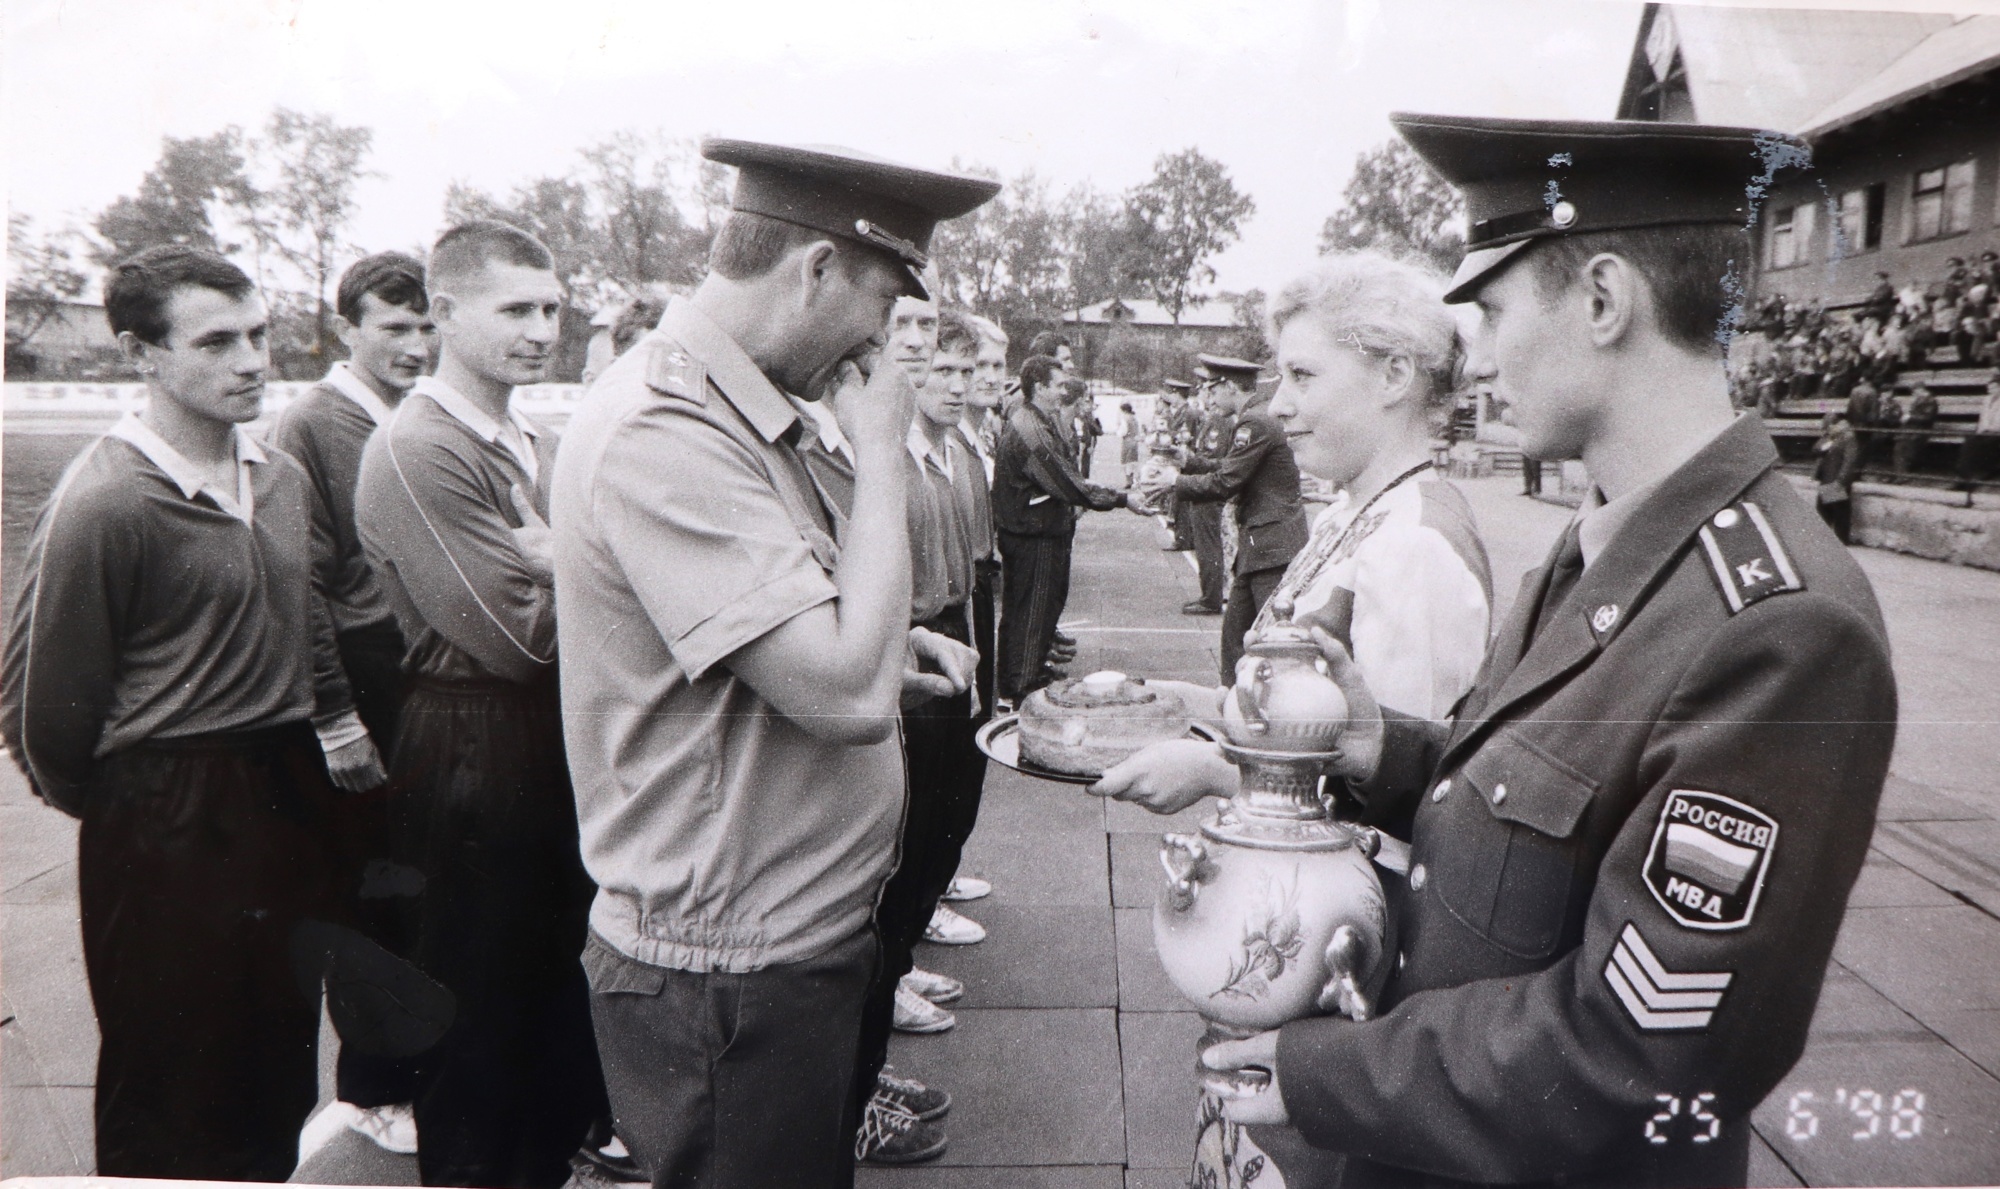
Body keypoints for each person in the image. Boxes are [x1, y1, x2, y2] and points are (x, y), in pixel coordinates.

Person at [1143, 114, 1896, 1189]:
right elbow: (1516, 817)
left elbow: (1640, 1050)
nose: (1476, 356)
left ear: (1600, 301)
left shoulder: (1778, 626)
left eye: (1489, 310)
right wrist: (1381, 751)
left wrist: (1322, 1077)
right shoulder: (1606, 543)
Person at [549, 139, 992, 1183]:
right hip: (729, 964)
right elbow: (840, 694)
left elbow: (810, 617)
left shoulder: (736, 412)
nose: (884, 339)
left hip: (770, 942)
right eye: (883, 300)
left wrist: (895, 631)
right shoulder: (668, 429)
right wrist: (880, 451)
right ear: (817, 270)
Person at [1096, 250, 1493, 1187]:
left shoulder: (1416, 544)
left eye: (1305, 375)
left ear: (1396, 376)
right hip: (1287, 941)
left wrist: (1210, 771)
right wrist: (1207, 712)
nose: (1278, 403)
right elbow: (1316, 733)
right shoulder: (1364, 508)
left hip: (1342, 970)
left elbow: (1408, 808)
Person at [1, 245, 366, 1178]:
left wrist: (327, 726)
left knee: (276, 1063)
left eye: (258, 335)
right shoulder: (109, 499)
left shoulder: (277, 474)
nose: (252, 360)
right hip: (165, 803)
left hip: (283, 789)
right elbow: (45, 712)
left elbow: (305, 614)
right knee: (172, 1079)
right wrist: (138, 807)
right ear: (140, 353)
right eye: (216, 341)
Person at [355, 221, 608, 1186]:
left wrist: (565, 561)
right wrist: (587, 564)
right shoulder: (420, 444)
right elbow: (516, 641)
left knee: (551, 1014)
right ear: (447, 313)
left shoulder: (528, 437)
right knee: (481, 1028)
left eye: (551, 307)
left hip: (541, 737)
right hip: (471, 741)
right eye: (517, 308)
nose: (543, 328)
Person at [266, 250, 436, 1156]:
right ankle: (371, 1089)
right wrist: (336, 718)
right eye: (393, 326)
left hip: (422, 671)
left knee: (424, 882)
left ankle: (411, 1069)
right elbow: (305, 586)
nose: (415, 343)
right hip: (363, 674)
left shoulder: (420, 416)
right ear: (348, 330)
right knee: (375, 889)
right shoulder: (315, 422)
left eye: (424, 325)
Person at [848, 308, 997, 1162]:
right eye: (904, 332)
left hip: (926, 656)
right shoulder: (867, 453)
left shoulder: (931, 452)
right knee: (884, 884)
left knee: (918, 866)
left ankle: (865, 1065)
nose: (920, 352)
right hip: (886, 682)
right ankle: (855, 1084)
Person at [993, 354, 1128, 701]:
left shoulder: (1036, 419)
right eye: (1057, 384)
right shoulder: (1030, 430)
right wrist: (1123, 499)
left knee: (1030, 613)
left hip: (1037, 533)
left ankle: (1022, 676)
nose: (1063, 390)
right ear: (1039, 387)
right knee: (1032, 614)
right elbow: (1070, 485)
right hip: (1033, 538)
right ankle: (1024, 685)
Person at [1161, 354, 1307, 668]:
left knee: (1266, 642)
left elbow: (1227, 480)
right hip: (1265, 543)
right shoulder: (1256, 416)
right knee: (1237, 636)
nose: (1209, 398)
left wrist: (1176, 481)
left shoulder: (1254, 421)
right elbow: (1233, 468)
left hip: (1270, 546)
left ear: (1228, 386)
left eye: (1212, 390)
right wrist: (1188, 462)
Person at [1178, 366, 1237, 614]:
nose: (1206, 396)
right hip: (1200, 487)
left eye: (1209, 390)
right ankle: (1209, 595)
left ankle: (1211, 598)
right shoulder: (1211, 418)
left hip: (1208, 491)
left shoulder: (1220, 421)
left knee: (1209, 547)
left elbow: (1216, 459)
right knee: (1204, 547)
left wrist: (1189, 461)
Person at [1813, 412, 1862, 544]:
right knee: (1823, 509)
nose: (1827, 430)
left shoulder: (1848, 437)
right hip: (1827, 477)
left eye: (1829, 427)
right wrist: (1827, 441)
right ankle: (1823, 538)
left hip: (1838, 478)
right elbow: (1816, 449)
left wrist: (1841, 480)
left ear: (1837, 424)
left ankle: (1841, 540)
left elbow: (1850, 461)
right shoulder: (1830, 436)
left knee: (1840, 510)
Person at [1895, 381, 1937, 474]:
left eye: (1914, 391)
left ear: (1920, 389)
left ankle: (1901, 474)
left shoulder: (1930, 400)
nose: (1913, 394)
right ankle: (1901, 473)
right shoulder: (1920, 399)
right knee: (1900, 447)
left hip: (1920, 430)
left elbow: (1927, 417)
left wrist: (1910, 417)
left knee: (1902, 449)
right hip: (1912, 429)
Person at [1117, 400, 1142, 487]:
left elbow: (1123, 431)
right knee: (1133, 461)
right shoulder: (1135, 418)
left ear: (1124, 411)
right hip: (1134, 441)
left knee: (1126, 462)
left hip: (1127, 441)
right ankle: (1135, 480)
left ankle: (1129, 481)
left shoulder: (1125, 419)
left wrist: (1118, 432)